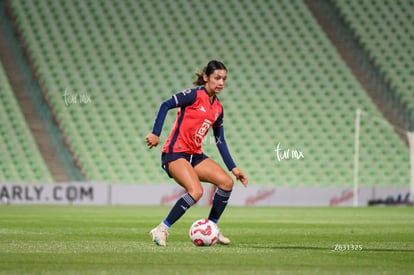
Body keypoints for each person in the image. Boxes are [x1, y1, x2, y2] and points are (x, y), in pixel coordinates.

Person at [146, 60, 248, 246]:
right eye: (217, 78)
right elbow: (165, 104)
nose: (221, 83)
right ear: (206, 77)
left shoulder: (218, 108)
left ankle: (211, 228)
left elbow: (220, 140)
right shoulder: (193, 95)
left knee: (226, 183)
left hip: (195, 155)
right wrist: (155, 133)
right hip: (175, 153)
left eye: (224, 79)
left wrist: (234, 168)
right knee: (196, 191)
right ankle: (161, 229)